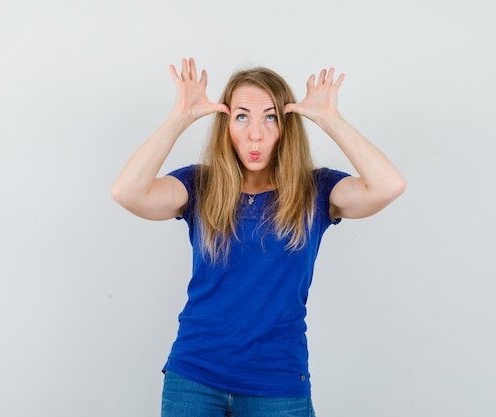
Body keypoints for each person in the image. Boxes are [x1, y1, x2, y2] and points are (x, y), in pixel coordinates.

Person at [110, 57, 406, 417]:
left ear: (286, 125)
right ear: (226, 124)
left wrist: (331, 120)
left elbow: (389, 186)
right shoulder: (200, 185)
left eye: (270, 117)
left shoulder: (315, 191)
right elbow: (127, 192)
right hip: (194, 379)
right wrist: (180, 118)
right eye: (242, 116)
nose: (255, 133)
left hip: (277, 385)